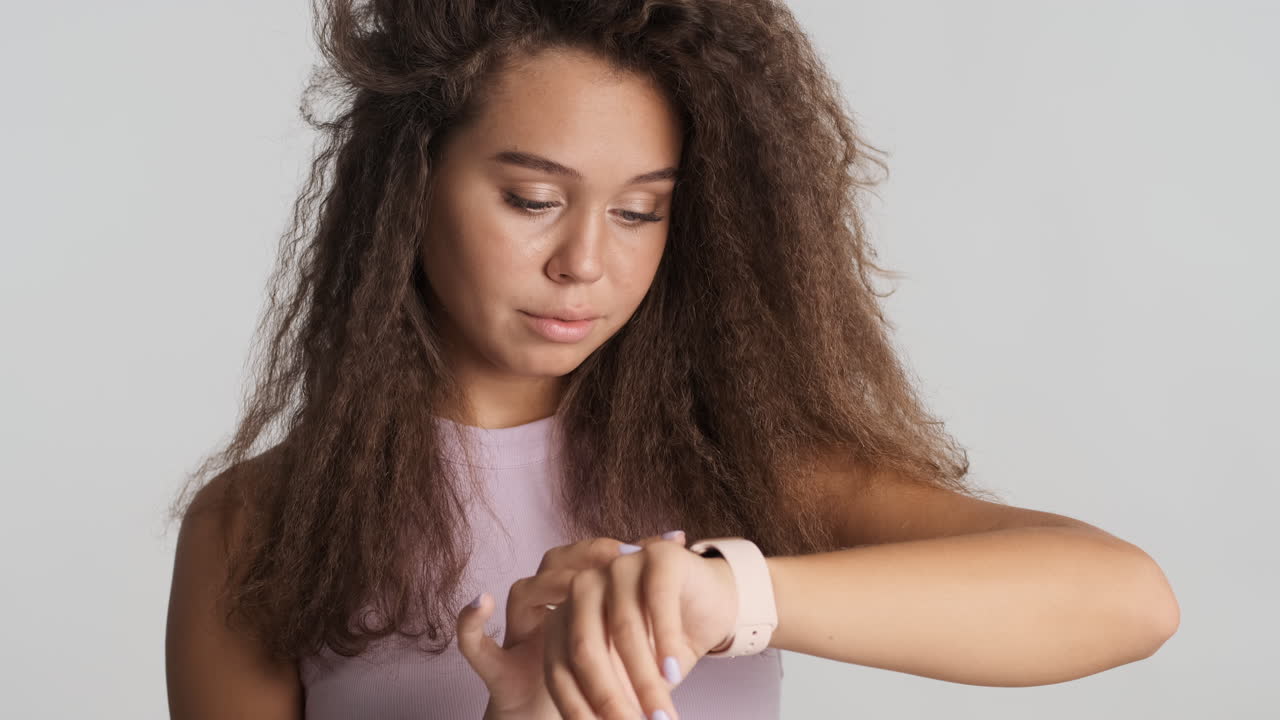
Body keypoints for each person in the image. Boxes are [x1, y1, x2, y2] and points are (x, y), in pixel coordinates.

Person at [164, 1, 1180, 719]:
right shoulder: (255, 527)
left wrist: (722, 596)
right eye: (531, 199)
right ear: (410, 185)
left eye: (640, 210)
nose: (584, 263)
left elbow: (1123, 598)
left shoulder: (732, 465)